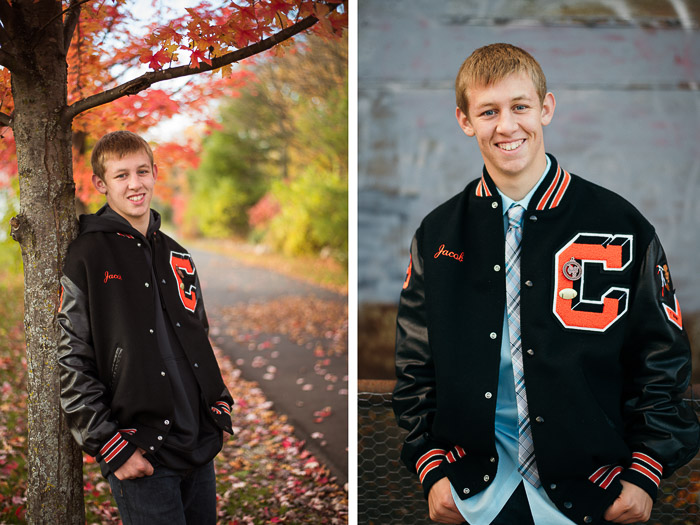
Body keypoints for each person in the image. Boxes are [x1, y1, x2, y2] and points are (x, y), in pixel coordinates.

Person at [392, 43, 699, 525]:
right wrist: (433, 472)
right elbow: (415, 367)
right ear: (465, 120)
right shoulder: (437, 235)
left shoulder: (620, 224)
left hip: (594, 492)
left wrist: (645, 473)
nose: (507, 126)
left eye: (520, 107)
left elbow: (661, 361)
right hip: (475, 494)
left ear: (546, 108)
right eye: (488, 111)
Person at [57, 130, 234, 524]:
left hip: (199, 445)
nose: (135, 184)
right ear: (101, 184)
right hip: (142, 452)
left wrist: (217, 404)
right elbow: (71, 358)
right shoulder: (87, 254)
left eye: (141, 171)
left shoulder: (178, 254)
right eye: (121, 176)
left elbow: (197, 335)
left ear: (155, 173)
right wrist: (111, 447)